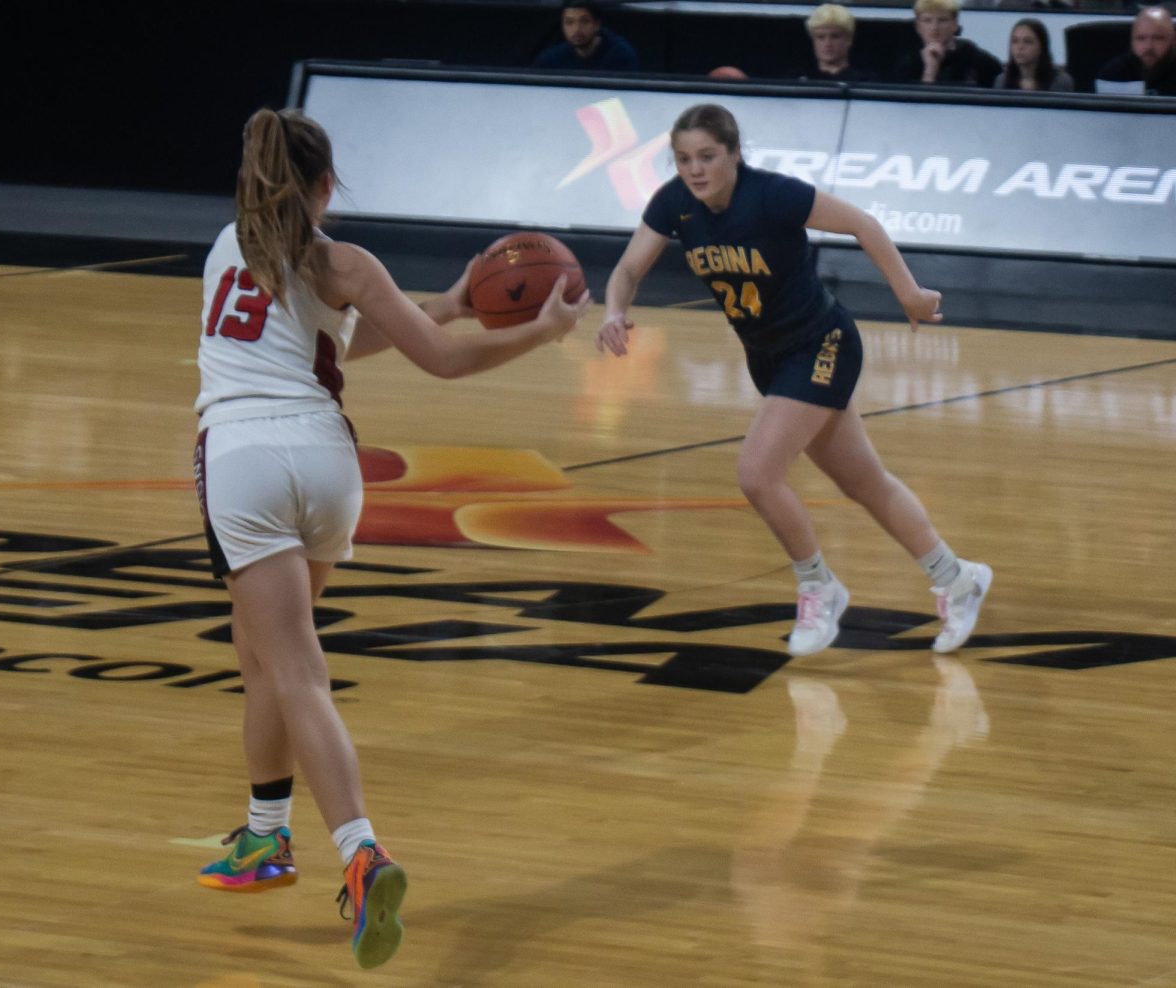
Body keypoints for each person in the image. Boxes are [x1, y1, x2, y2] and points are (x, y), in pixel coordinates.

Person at [193, 107, 588, 969]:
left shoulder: (228, 246)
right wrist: (539, 330)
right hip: (331, 466)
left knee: (290, 668)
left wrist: (444, 306)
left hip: (245, 458)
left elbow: (304, 338)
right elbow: (417, 357)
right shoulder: (347, 263)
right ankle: (265, 838)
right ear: (328, 184)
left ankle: (361, 853)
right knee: (264, 656)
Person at [595, 103, 992, 658]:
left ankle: (818, 587)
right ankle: (958, 578)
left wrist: (908, 294)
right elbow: (629, 269)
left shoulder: (774, 194)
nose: (695, 169)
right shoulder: (674, 205)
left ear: (734, 153)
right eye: (684, 159)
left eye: (708, 156)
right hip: (769, 357)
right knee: (864, 482)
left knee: (757, 474)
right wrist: (615, 311)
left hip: (820, 342)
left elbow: (863, 224)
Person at [893, 0, 1002, 87]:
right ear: (918, 27)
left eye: (942, 20)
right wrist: (930, 72)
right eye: (927, 20)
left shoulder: (972, 55)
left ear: (955, 24)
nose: (934, 27)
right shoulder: (909, 62)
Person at [532, 1, 640, 72]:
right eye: (569, 22)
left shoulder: (620, 57)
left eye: (584, 21)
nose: (577, 29)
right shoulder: (549, 60)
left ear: (597, 25)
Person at [1095, 6, 1176, 96]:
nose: (1148, 46)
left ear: (1173, 40)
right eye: (1141, 38)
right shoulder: (1112, 74)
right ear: (1132, 40)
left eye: (1158, 38)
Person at [797, 4, 877, 82]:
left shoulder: (866, 82)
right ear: (813, 41)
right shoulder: (799, 81)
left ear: (849, 40)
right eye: (820, 37)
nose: (828, 44)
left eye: (835, 36)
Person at [994, 18, 1075, 91]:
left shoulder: (1060, 82)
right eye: (1015, 41)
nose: (1020, 47)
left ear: (1041, 47)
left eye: (1027, 41)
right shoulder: (1002, 81)